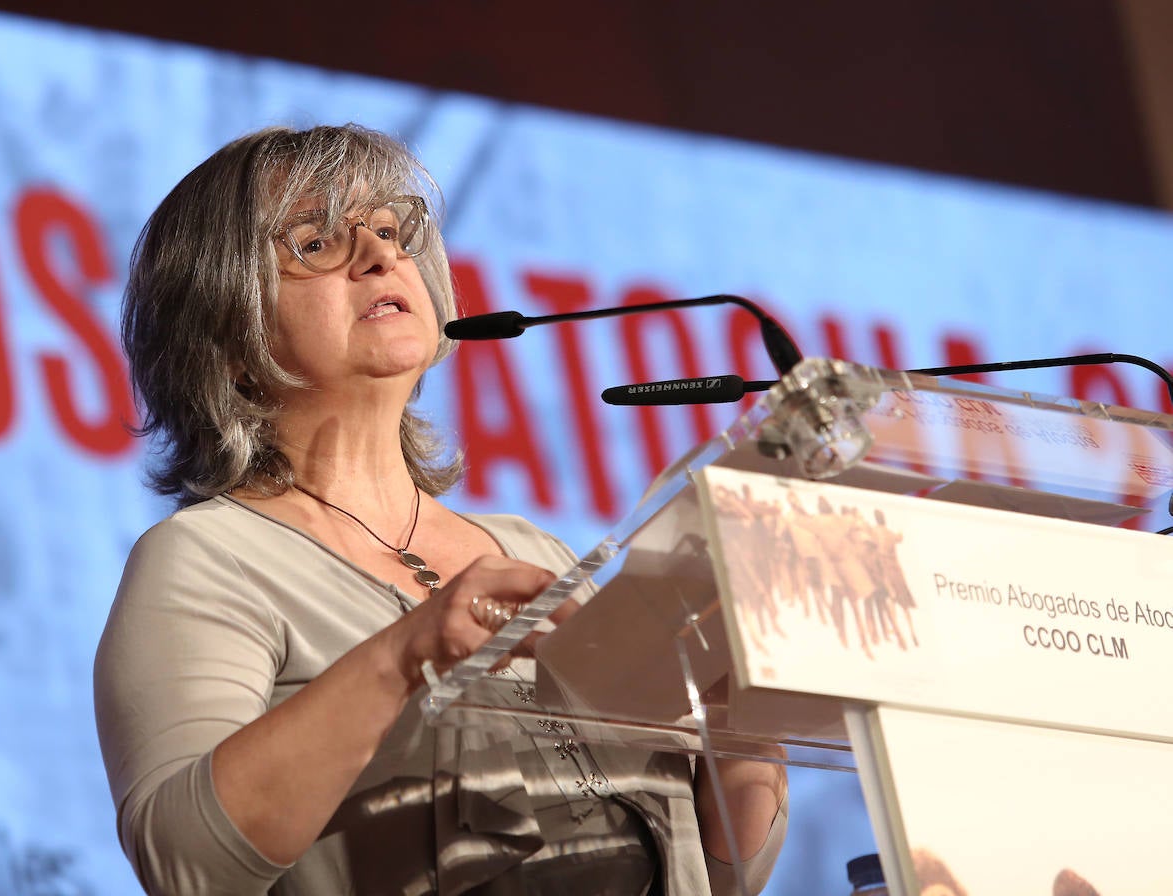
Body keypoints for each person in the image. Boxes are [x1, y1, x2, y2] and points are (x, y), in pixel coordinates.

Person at [94, 124, 788, 896]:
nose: (381, 256)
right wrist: (401, 656)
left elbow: (722, 873)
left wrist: (740, 720)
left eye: (390, 232)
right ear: (225, 333)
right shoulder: (210, 560)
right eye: (318, 242)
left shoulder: (540, 555)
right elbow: (185, 857)